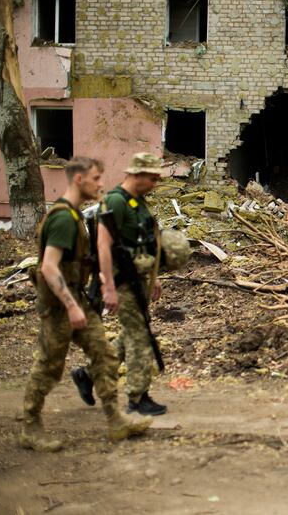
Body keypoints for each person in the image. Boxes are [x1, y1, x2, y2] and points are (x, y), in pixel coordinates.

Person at [20, 157, 151, 452]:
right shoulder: (64, 218)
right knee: (48, 366)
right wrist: (71, 306)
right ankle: (30, 426)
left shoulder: (76, 215)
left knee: (104, 355)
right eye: (95, 178)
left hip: (77, 299)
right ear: (79, 180)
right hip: (59, 306)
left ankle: (116, 420)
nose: (101, 184)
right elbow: (49, 268)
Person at [72, 152, 167, 416]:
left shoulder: (139, 203)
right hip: (121, 282)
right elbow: (103, 245)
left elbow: (146, 243)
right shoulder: (115, 201)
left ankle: (88, 375)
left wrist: (154, 278)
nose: (154, 183)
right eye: (152, 178)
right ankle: (137, 397)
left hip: (139, 280)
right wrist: (108, 288)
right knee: (139, 338)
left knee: (130, 336)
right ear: (136, 174)